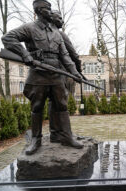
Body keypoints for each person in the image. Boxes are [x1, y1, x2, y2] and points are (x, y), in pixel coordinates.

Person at [1, 0, 83, 155]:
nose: (50, 11)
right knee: (37, 107)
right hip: (38, 72)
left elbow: (64, 55)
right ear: (38, 10)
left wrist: (75, 72)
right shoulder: (29, 28)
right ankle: (35, 140)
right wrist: (25, 54)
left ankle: (66, 136)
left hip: (56, 73)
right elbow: (7, 38)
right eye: (47, 8)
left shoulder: (56, 32)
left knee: (62, 105)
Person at [48, 10, 87, 143]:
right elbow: (73, 54)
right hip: (59, 73)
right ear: (52, 19)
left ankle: (55, 132)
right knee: (61, 103)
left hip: (47, 73)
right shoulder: (60, 35)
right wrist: (78, 71)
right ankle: (65, 134)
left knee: (52, 102)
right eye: (59, 18)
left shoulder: (47, 34)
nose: (62, 21)